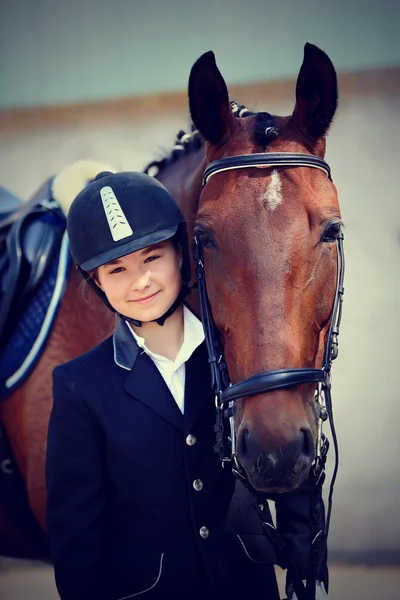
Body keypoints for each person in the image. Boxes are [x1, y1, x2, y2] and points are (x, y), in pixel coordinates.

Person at [45, 171, 328, 600]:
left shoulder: (240, 361)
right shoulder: (78, 387)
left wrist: (303, 558)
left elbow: (289, 457)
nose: (139, 280)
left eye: (151, 258)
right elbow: (76, 540)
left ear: (180, 254)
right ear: (96, 282)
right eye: (117, 268)